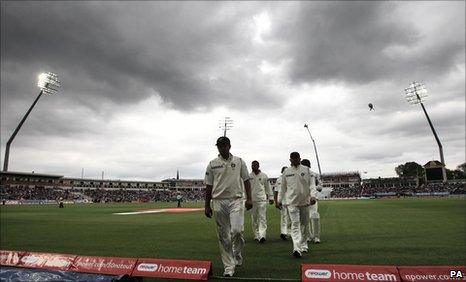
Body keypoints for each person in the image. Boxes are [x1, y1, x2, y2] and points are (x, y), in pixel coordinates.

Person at [204, 136, 253, 277]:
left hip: (236, 199)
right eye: (219, 146)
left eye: (224, 145)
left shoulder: (239, 161)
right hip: (219, 201)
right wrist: (207, 206)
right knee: (223, 236)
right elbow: (208, 186)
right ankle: (229, 266)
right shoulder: (212, 164)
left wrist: (249, 198)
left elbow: (246, 180)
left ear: (229, 146)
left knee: (237, 230)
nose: (222, 148)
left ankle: (237, 253)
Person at [278, 152, 314, 258]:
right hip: (292, 203)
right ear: (290, 160)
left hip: (305, 202)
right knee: (295, 225)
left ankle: (303, 245)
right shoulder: (286, 171)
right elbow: (283, 188)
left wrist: (313, 196)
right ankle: (296, 249)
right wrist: (279, 200)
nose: (294, 160)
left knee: (304, 225)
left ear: (299, 158)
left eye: (296, 158)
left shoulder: (307, 170)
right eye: (292, 159)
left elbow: (312, 185)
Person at [249, 160, 274, 243]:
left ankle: (262, 235)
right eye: (252, 165)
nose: (253, 166)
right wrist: (246, 199)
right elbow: (246, 189)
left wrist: (271, 197)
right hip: (253, 200)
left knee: (262, 218)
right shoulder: (249, 176)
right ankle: (256, 235)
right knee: (254, 219)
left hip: (262, 200)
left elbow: (268, 187)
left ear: (258, 166)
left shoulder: (264, 176)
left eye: (255, 165)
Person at [301, 159, 321, 244]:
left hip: (313, 200)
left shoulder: (315, 175)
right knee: (305, 219)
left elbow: (320, 188)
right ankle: (308, 236)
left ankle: (316, 237)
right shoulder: (299, 175)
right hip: (303, 200)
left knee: (315, 217)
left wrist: (313, 188)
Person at [274, 166, 290, 240]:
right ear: (281, 172)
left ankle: (289, 232)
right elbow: (276, 191)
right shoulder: (279, 179)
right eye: (284, 171)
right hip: (282, 201)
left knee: (291, 218)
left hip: (291, 201)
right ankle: (283, 233)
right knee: (283, 217)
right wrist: (276, 201)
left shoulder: (291, 178)